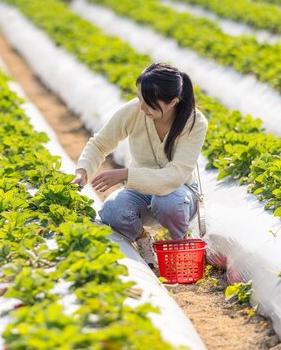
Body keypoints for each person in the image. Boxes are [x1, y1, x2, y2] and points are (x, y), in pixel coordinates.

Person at [72, 63, 208, 269]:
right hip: (141, 192)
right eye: (140, 98)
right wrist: (82, 172)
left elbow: (175, 176)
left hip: (179, 194)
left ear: (173, 102)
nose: (142, 107)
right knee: (112, 211)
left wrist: (126, 174)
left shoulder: (194, 122)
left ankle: (179, 243)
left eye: (150, 103)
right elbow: (100, 144)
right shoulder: (134, 111)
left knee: (168, 202)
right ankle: (143, 239)